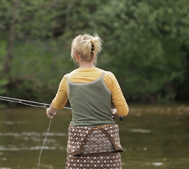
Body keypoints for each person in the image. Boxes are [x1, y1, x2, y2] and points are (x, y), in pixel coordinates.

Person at [46, 33, 129, 169]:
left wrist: (49, 111)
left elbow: (57, 105)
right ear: (94, 52)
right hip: (107, 146)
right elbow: (123, 111)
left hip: (79, 148)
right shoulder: (108, 77)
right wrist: (114, 112)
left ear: (76, 54)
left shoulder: (67, 79)